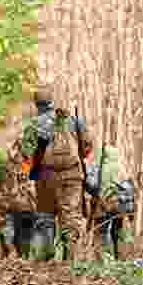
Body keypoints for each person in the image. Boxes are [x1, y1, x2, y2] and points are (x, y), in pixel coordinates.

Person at [23, 86, 90, 261]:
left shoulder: (34, 124)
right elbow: (87, 147)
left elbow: (26, 153)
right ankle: (70, 257)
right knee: (70, 214)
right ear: (52, 101)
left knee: (46, 214)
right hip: (73, 175)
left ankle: (48, 251)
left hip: (45, 176)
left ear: (37, 104)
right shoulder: (73, 119)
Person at [0, 136, 38, 259]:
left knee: (8, 233)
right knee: (23, 240)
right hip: (25, 207)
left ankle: (8, 253)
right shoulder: (31, 163)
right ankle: (20, 257)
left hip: (7, 206)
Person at [84, 145, 135, 261]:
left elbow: (92, 185)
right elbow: (129, 188)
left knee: (100, 234)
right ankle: (122, 260)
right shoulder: (122, 168)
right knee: (118, 233)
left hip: (103, 205)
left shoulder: (100, 168)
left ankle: (101, 262)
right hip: (120, 206)